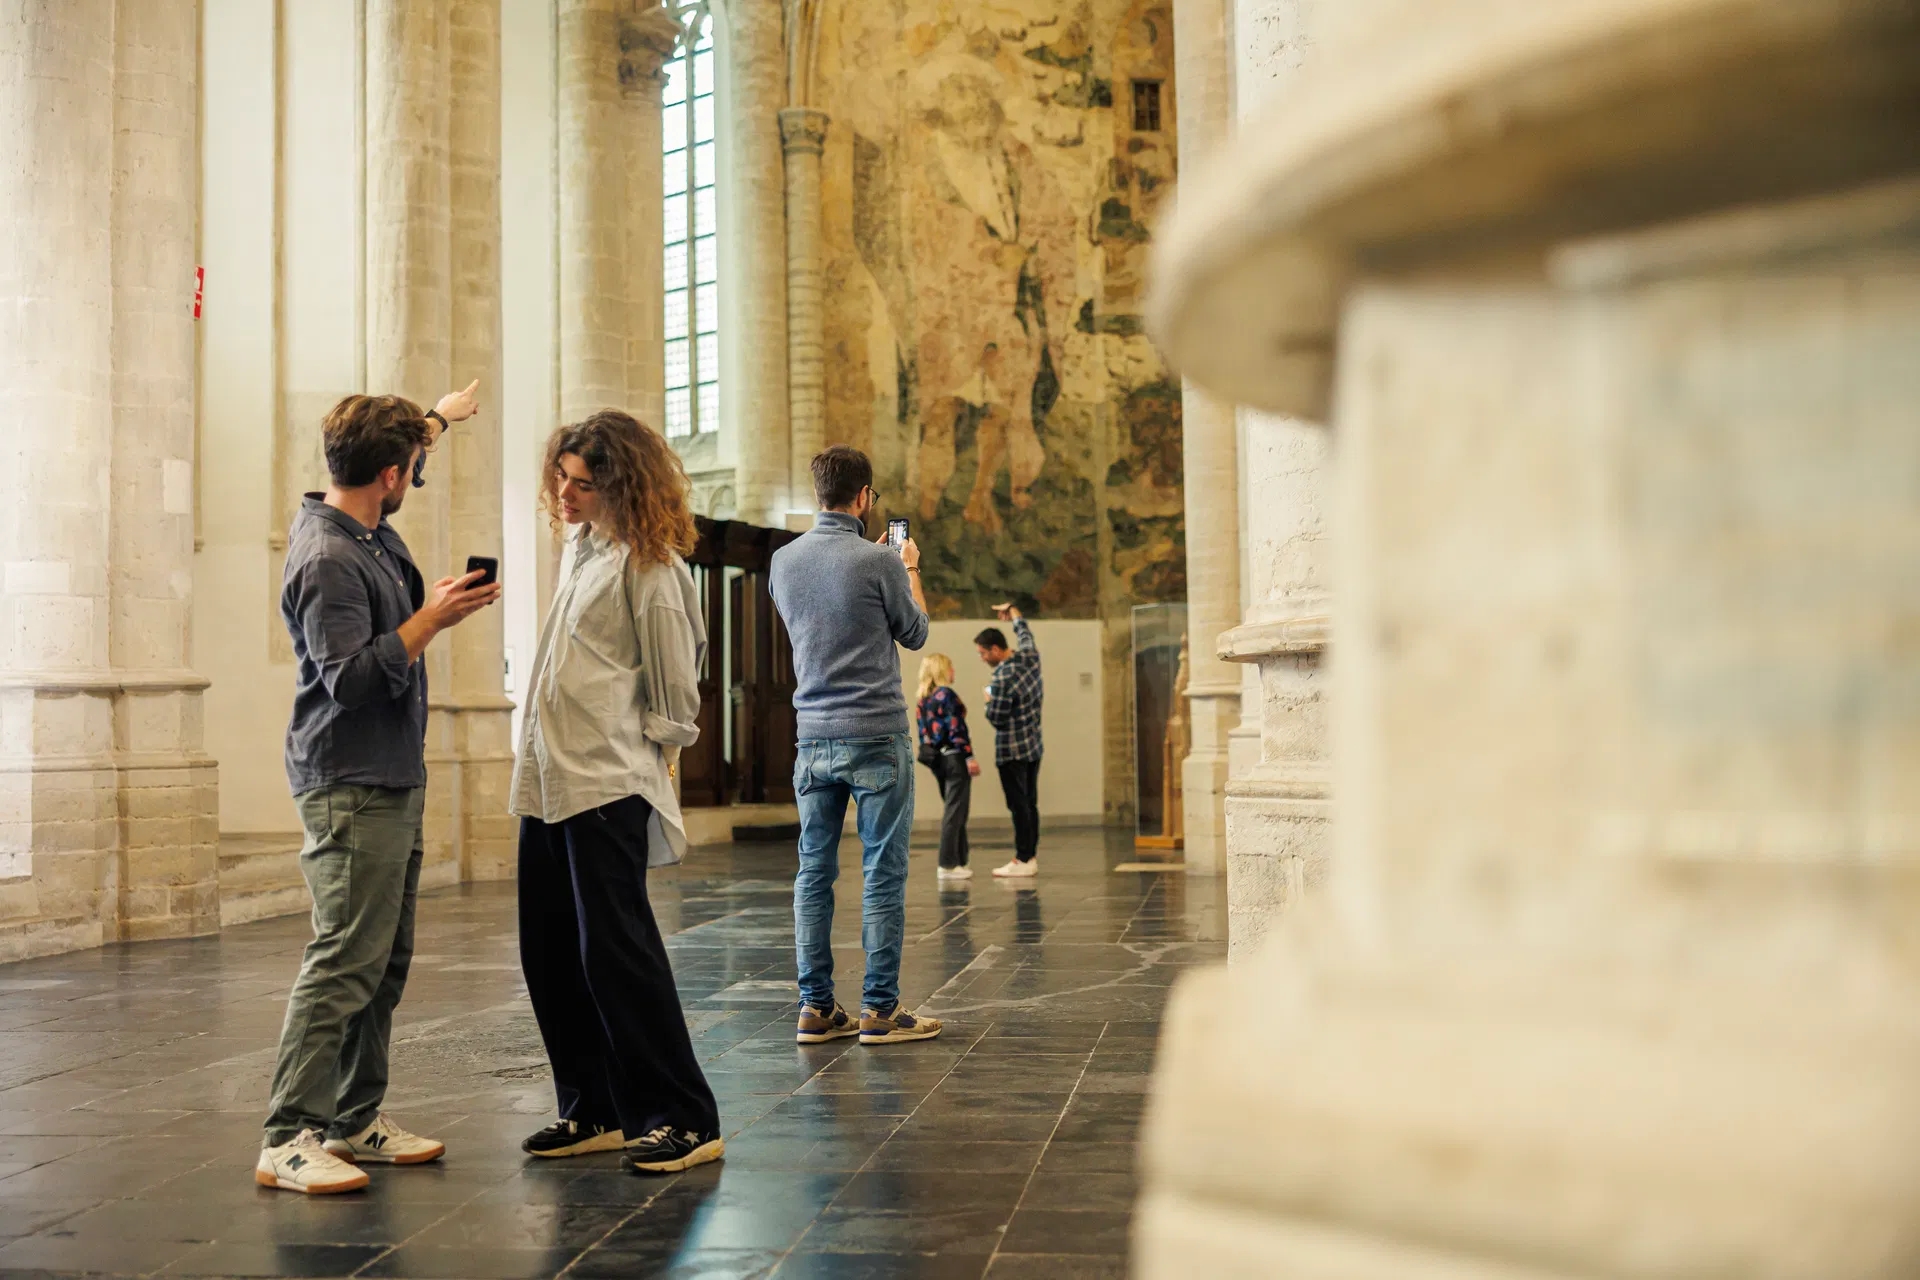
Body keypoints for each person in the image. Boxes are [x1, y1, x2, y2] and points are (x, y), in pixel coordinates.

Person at [257, 385, 499, 1194]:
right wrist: (430, 620)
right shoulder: (328, 557)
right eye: (414, 466)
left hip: (391, 772)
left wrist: (438, 415)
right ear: (390, 474)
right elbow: (350, 681)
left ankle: (353, 1119)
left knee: (384, 961)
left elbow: (400, 441)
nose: (415, 477)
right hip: (350, 778)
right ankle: (288, 1135)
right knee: (343, 960)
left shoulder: (364, 520)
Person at [510, 410, 723, 1177]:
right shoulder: (582, 552)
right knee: (551, 951)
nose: (565, 493)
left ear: (620, 485)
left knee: (618, 954)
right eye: (561, 478)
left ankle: (683, 1116)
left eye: (584, 483)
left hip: (604, 781)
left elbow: (675, 700)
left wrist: (644, 769)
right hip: (548, 779)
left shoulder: (651, 568)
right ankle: (593, 1106)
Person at [768, 446, 943, 1046]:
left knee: (812, 873)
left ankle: (815, 1008)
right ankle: (879, 1011)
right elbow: (917, 635)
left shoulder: (782, 562)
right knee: (882, 872)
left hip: (812, 736)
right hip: (876, 737)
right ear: (864, 497)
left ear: (819, 492)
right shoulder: (881, 562)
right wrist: (910, 568)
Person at [977, 602, 1044, 878]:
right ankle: (1030, 855)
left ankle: (1023, 858)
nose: (982, 658)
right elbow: (1024, 633)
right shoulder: (1029, 657)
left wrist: (987, 702)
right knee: (1030, 802)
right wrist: (1014, 611)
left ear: (995, 650)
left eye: (983, 653)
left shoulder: (1002, 676)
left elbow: (998, 718)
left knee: (1018, 806)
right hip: (1033, 746)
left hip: (1011, 750)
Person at [915, 653, 979, 881]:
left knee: (954, 809)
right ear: (942, 670)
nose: (954, 672)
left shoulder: (923, 699)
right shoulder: (946, 695)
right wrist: (969, 756)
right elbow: (956, 729)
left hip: (937, 761)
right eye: (950, 668)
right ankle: (948, 863)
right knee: (956, 811)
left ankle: (960, 861)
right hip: (954, 758)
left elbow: (924, 734)